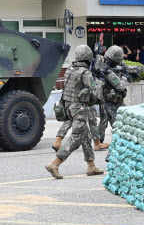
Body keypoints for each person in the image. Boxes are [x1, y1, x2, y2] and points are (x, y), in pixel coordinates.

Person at [45, 45, 105, 179]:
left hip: (68, 107)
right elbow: (95, 93)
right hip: (79, 108)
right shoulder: (85, 73)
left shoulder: (69, 70)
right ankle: (55, 163)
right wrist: (99, 81)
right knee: (77, 137)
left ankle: (91, 165)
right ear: (88, 58)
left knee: (85, 135)